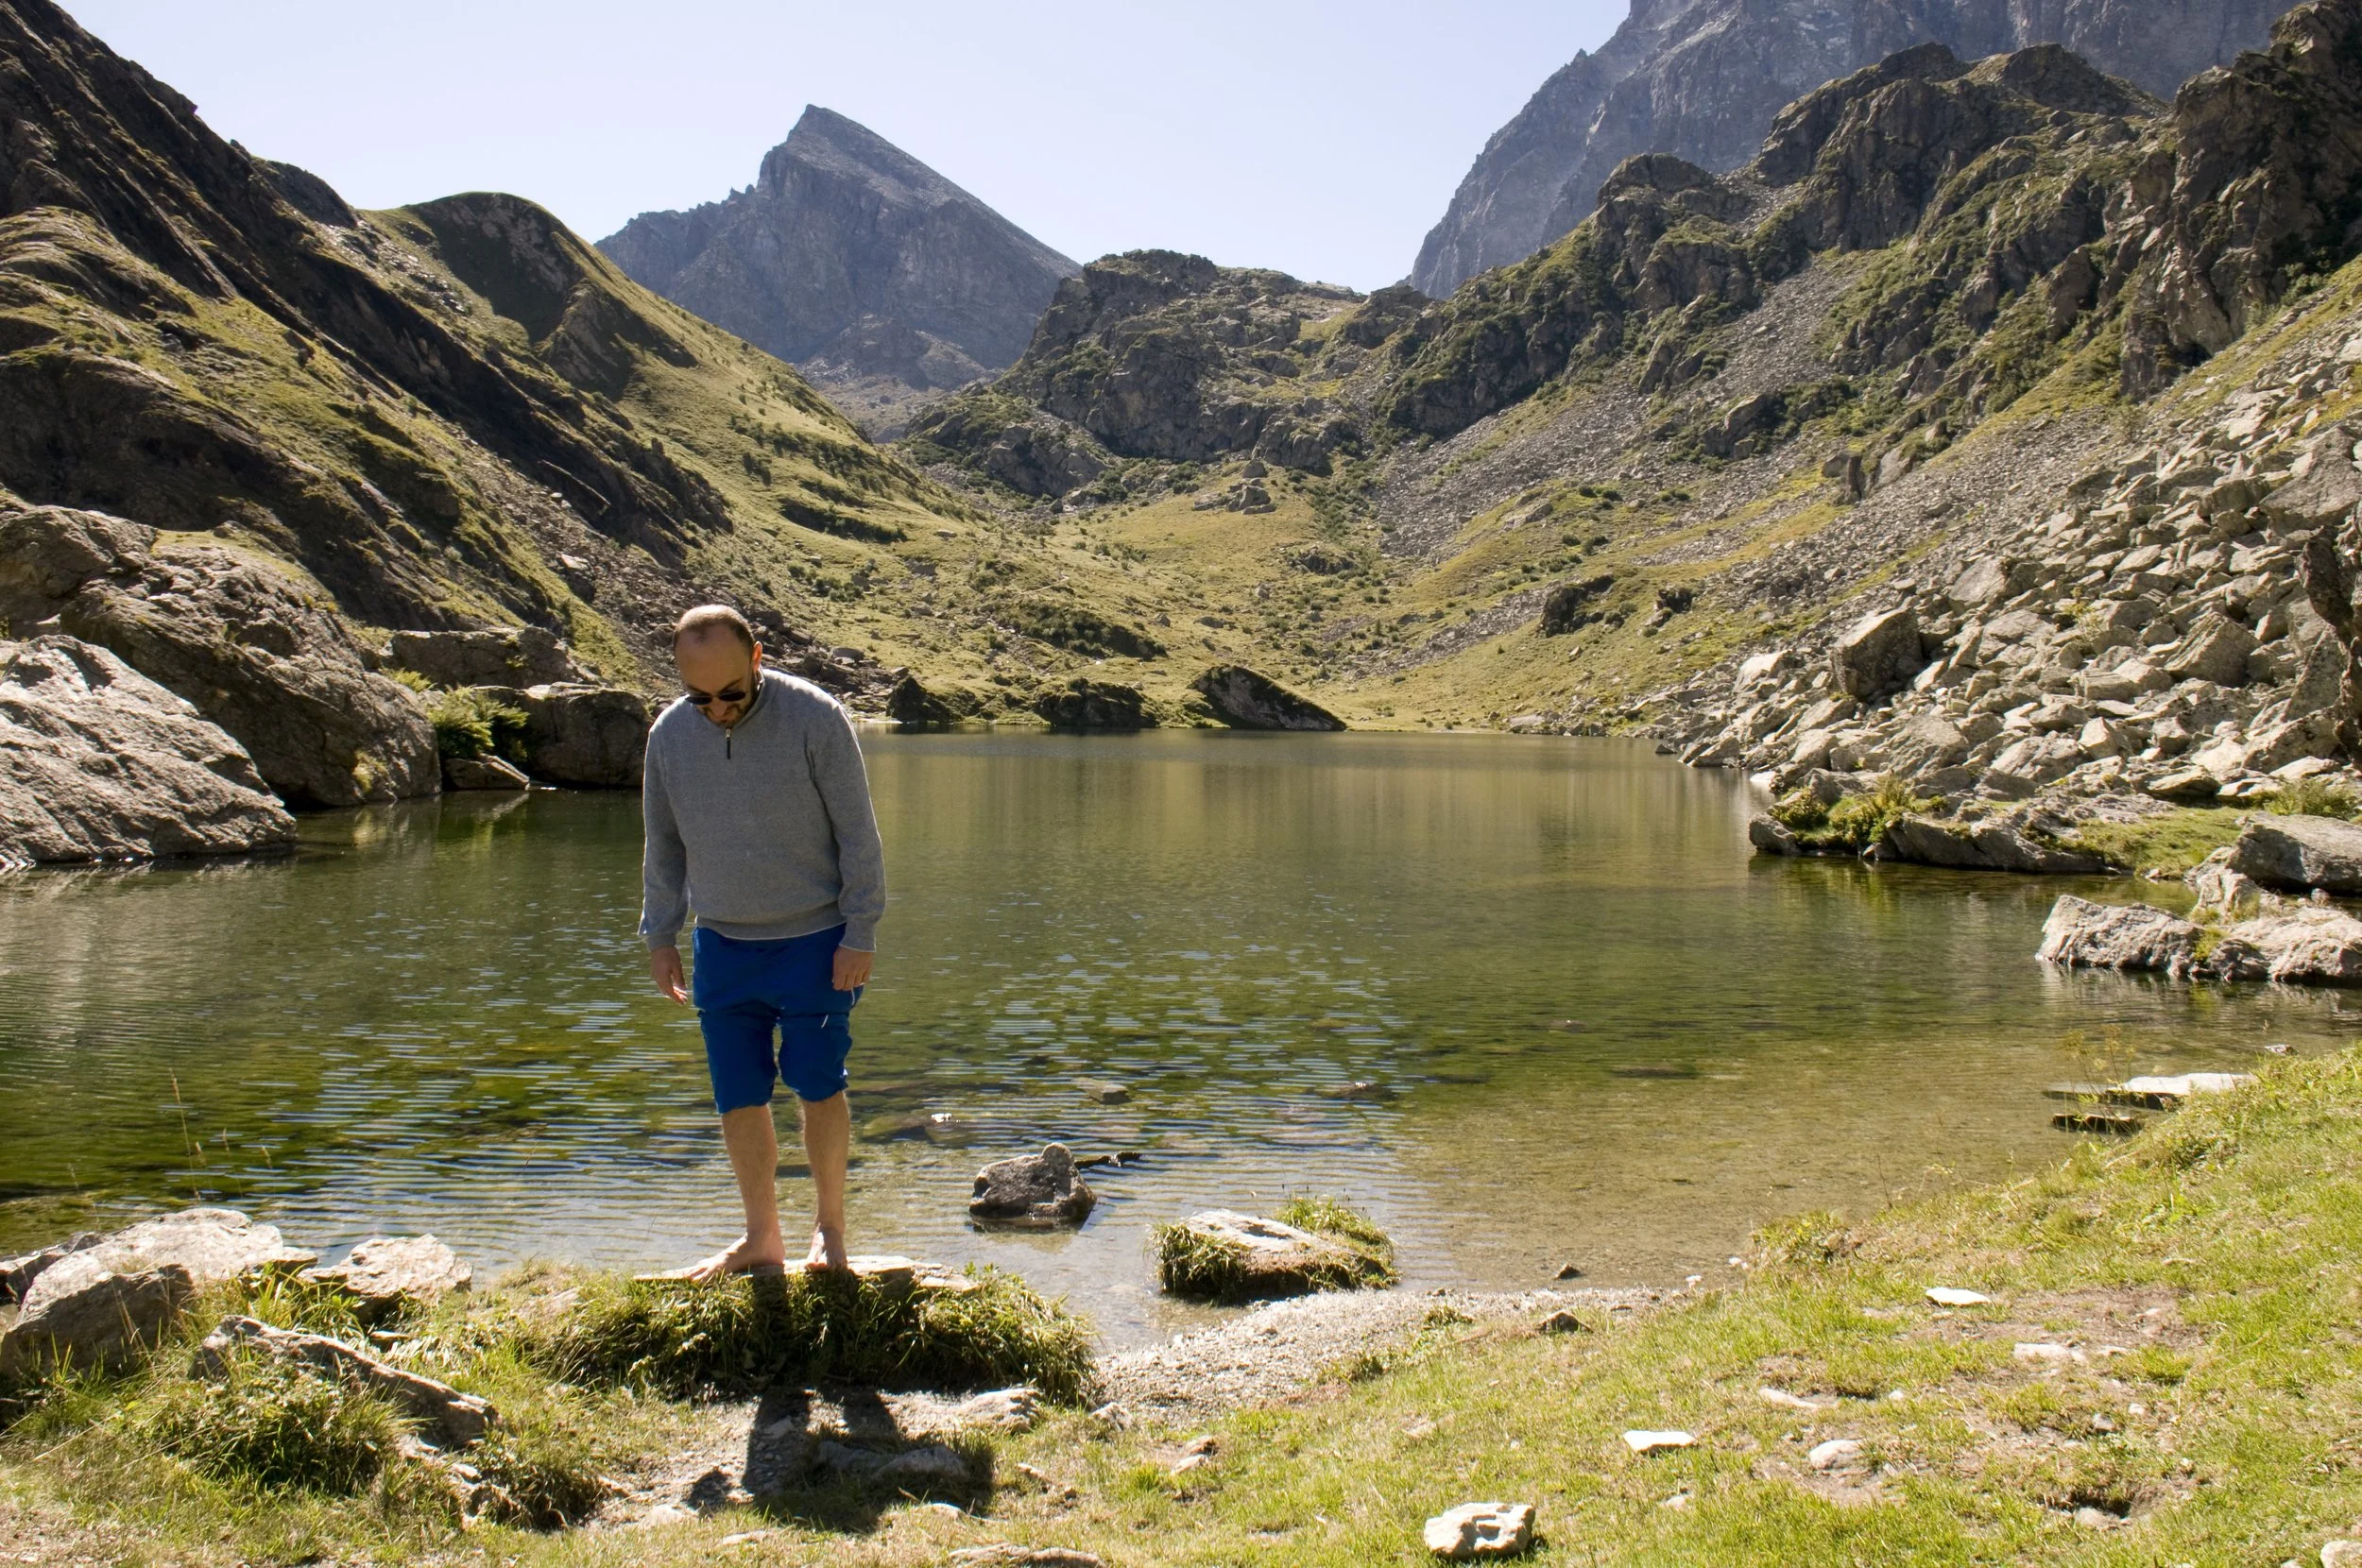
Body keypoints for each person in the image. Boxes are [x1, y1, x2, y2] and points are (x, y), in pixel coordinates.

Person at [639, 605, 885, 1278]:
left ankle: (829, 1233)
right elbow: (663, 844)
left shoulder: (816, 717)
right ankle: (761, 1239)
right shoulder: (669, 734)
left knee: (817, 1082)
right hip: (721, 944)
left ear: (757, 659)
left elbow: (858, 836)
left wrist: (860, 931)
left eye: (730, 694)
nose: (715, 709)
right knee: (738, 1093)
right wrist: (660, 934)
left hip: (817, 940)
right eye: (699, 697)